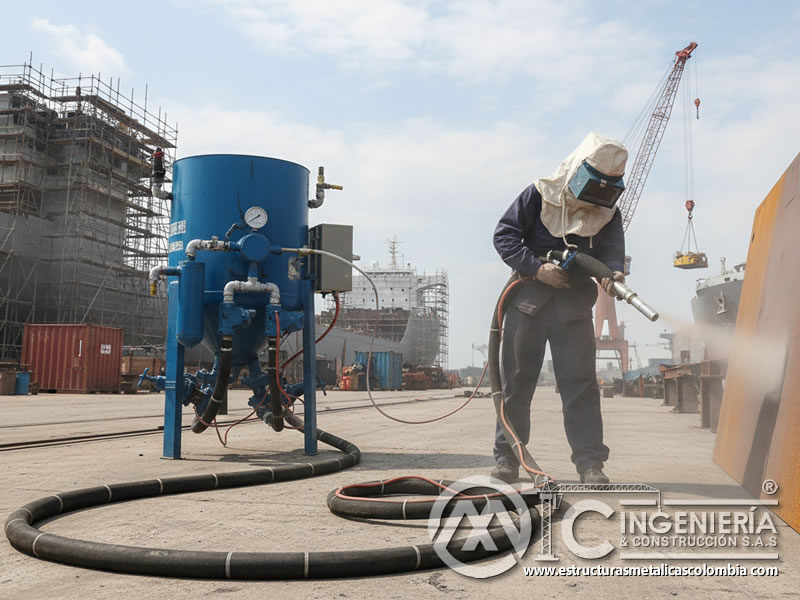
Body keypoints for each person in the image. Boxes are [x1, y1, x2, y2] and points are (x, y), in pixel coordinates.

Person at [491, 132, 628, 484]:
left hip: (574, 309)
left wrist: (612, 272)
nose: (598, 195)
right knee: (517, 386)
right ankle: (508, 457)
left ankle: (590, 464)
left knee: (581, 386)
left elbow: (611, 250)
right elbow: (504, 235)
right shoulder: (539, 194)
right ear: (578, 173)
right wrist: (537, 268)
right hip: (528, 306)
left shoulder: (607, 211)